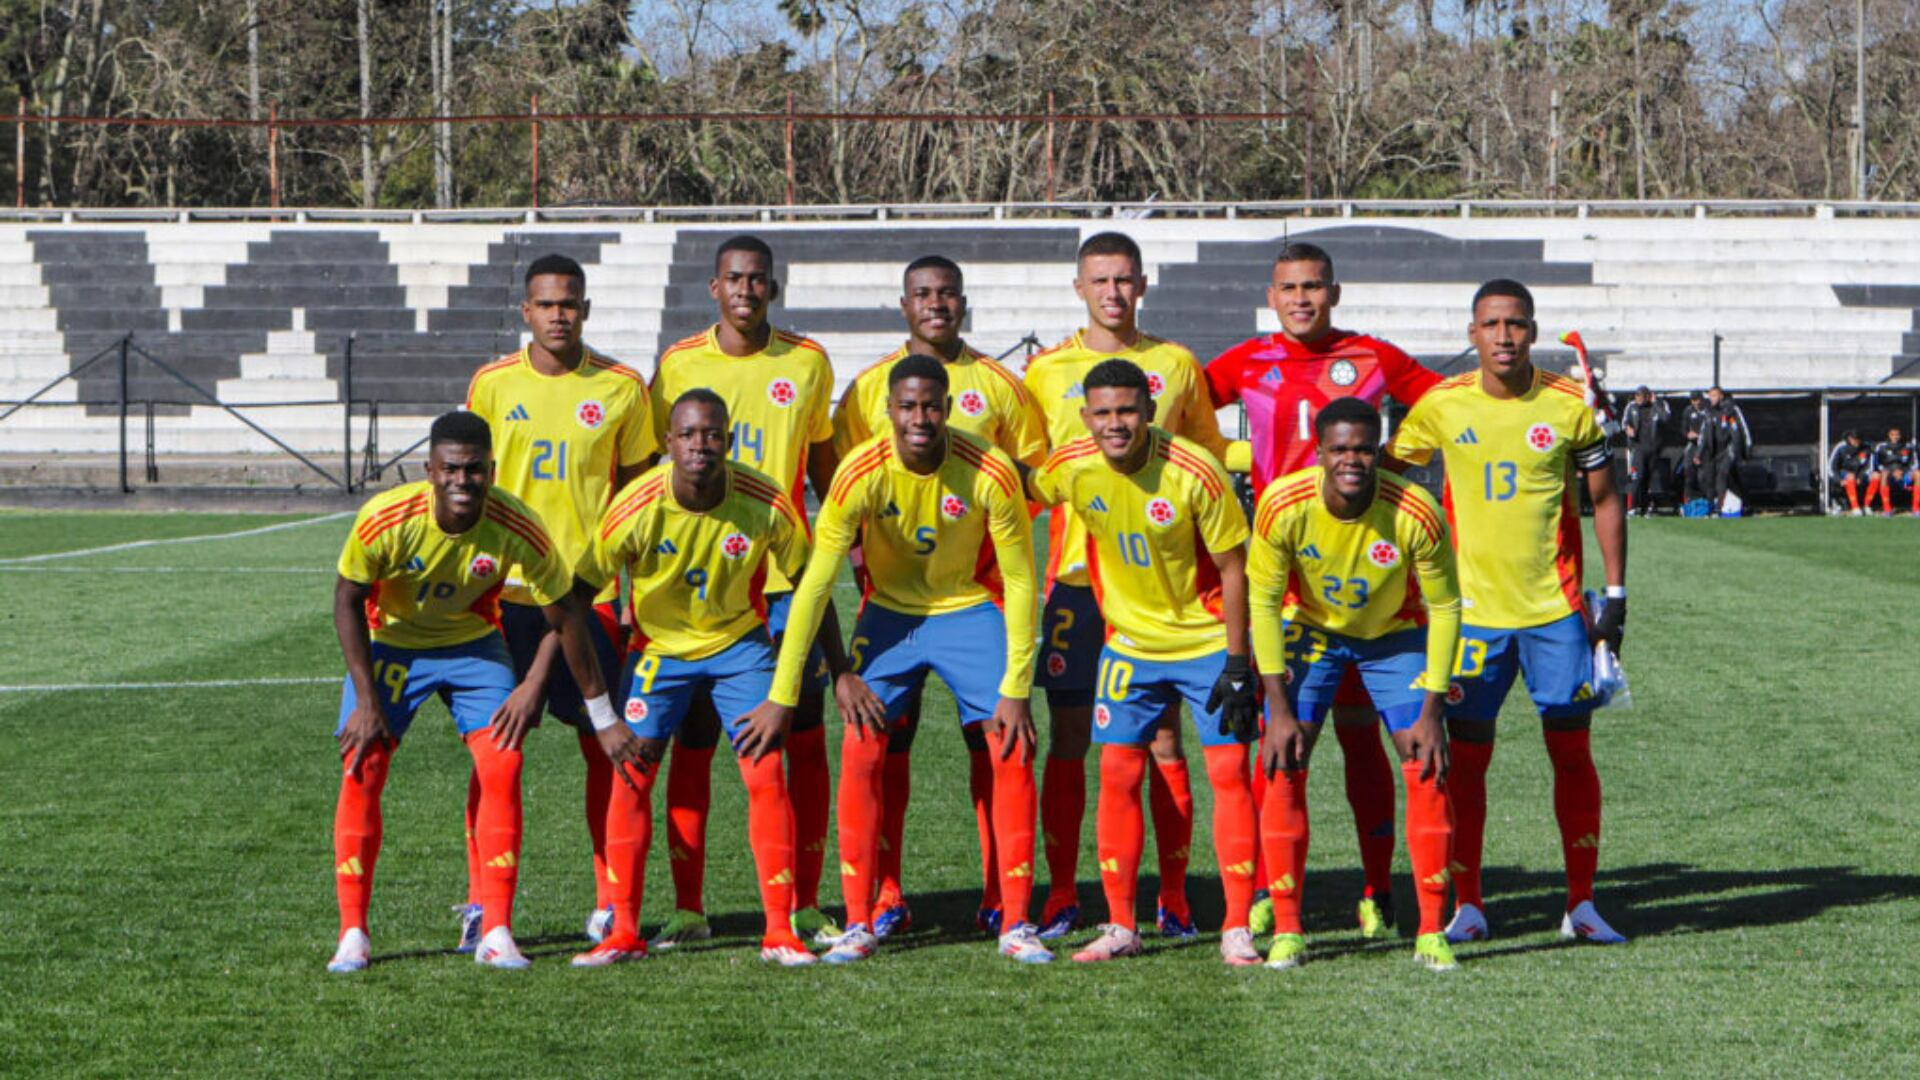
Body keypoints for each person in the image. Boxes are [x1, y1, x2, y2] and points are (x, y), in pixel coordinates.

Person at [758, 354, 1048, 965]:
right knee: (862, 744)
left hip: (968, 611)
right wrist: (787, 693)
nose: (920, 418)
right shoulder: (860, 472)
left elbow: (1022, 581)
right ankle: (859, 921)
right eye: (908, 407)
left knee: (1011, 744)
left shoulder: (990, 468)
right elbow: (815, 585)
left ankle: (1017, 921)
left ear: (948, 408)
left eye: (932, 406)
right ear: (888, 410)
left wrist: (1017, 686)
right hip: (890, 616)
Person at [326, 411, 635, 973]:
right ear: (429, 470)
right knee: (362, 762)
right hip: (394, 645)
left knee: (504, 760)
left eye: (473, 470)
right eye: (450, 469)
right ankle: (353, 932)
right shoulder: (386, 518)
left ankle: (495, 929)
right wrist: (367, 701)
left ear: (491, 471)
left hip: (474, 646)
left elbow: (565, 613)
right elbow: (347, 598)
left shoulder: (517, 525)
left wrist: (587, 707)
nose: (461, 481)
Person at [1203, 241, 1441, 940]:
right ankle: (1267, 891)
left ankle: (1377, 890)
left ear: (1334, 293)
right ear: (1271, 297)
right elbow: (1186, 416)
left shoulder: (1371, 355)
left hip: (1369, 577)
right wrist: (1243, 457)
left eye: (1313, 286)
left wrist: (1395, 460)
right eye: (1289, 288)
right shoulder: (1245, 361)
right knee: (1281, 746)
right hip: (1289, 579)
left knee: (1365, 739)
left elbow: (1441, 404)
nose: (1301, 298)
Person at [1385, 278, 1630, 947]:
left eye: (1516, 324)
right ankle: (1469, 905)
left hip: (1556, 615)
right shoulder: (1441, 405)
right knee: (1465, 765)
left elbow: (1606, 498)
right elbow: (1384, 476)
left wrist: (1615, 596)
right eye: (1491, 325)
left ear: (1533, 331)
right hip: (1470, 619)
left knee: (1572, 754)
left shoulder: (1569, 405)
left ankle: (1582, 904)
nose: (1504, 336)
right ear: (1472, 334)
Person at [1020, 230, 1246, 941]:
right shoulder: (1044, 372)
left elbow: (1211, 451)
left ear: (1142, 284)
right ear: (1079, 288)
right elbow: (1032, 474)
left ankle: (1172, 895)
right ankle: (1063, 893)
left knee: (1165, 741)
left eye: (1124, 279)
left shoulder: (1176, 364)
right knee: (1070, 738)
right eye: (1100, 280)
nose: (1112, 292)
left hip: (1164, 590)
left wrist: (1282, 455)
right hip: (1077, 583)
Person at [569, 390, 843, 968]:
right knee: (631, 777)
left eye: (712, 434)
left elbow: (811, 589)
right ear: (668, 443)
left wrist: (813, 680)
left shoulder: (765, 500)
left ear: (728, 441)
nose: (701, 445)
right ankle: (623, 931)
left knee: (765, 772)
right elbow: (571, 602)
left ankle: (779, 931)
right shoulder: (633, 507)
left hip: (740, 648)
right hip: (658, 654)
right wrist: (601, 712)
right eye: (689, 435)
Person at [829, 253, 1049, 939]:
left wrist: (977, 543)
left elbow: (1029, 480)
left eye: (947, 293)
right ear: (904, 305)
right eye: (922, 293)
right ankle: (884, 894)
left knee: (993, 742)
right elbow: (843, 482)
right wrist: (864, 558)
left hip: (977, 597)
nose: (936, 304)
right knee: (883, 742)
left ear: (963, 302)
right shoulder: (867, 388)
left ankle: (1000, 897)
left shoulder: (1001, 386)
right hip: (889, 600)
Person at [648, 235, 841, 948]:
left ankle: (806, 904)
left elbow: (824, 469)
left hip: (786, 578)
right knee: (695, 738)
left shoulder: (808, 360)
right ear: (714, 287)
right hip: (706, 582)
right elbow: (655, 465)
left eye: (758, 279)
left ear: (773, 288)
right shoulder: (678, 364)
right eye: (734, 278)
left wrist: (841, 559)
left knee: (804, 734)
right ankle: (689, 909)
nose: (746, 290)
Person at [461, 253, 655, 951]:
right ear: (526, 312)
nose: (558, 315)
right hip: (503, 595)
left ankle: (608, 900)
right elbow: (469, 486)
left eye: (569, 304)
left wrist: (627, 594)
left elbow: (638, 497)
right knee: (494, 755)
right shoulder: (491, 384)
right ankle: (482, 902)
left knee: (604, 748)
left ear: (586, 309)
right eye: (546, 304)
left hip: (589, 595)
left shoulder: (623, 388)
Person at [1248, 396, 1462, 972]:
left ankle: (1429, 929)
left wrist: (1433, 710)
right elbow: (1264, 604)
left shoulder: (1415, 510)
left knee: (1426, 764)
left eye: (1364, 450)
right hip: (1314, 632)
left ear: (1379, 452)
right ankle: (1287, 928)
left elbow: (1446, 607)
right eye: (1340, 449)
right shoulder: (1282, 505)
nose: (1352, 460)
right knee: (1284, 760)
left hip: (1393, 635)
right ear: (1319, 452)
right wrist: (1277, 705)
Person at [1700, 387, 1751, 516]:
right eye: (1710, 396)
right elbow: (1704, 433)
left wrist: (1745, 451)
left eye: (1714, 396)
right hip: (1715, 451)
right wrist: (1699, 453)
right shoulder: (1709, 411)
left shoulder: (1731, 410)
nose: (1712, 398)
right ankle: (1715, 506)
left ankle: (1719, 508)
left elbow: (1740, 431)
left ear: (1721, 396)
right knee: (1715, 478)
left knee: (1722, 475)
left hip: (1729, 448)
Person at [1619, 386, 1668, 516]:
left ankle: (1645, 508)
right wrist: (1628, 429)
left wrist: (1655, 403)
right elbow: (1624, 423)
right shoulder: (1631, 406)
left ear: (1648, 396)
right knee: (1637, 476)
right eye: (1637, 395)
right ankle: (1633, 507)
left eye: (1641, 396)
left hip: (1653, 448)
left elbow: (1665, 418)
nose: (1638, 398)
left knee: (1648, 478)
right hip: (1638, 447)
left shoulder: (1658, 405)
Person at [1867, 427, 1917, 516]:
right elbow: (1877, 464)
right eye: (1893, 435)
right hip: (1888, 475)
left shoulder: (1908, 446)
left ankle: (1916, 508)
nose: (1895, 437)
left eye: (1897, 435)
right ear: (1889, 435)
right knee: (1884, 474)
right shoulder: (1881, 447)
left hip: (1904, 475)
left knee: (1918, 474)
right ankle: (1887, 509)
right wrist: (1892, 471)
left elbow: (1914, 463)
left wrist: (1904, 471)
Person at [1828, 430, 1874, 515]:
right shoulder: (1841, 446)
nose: (1856, 442)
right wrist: (1839, 480)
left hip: (1860, 474)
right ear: (1849, 438)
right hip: (1843, 473)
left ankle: (1866, 506)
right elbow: (1831, 467)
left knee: (1876, 476)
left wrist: (1861, 477)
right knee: (1850, 476)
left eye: (1858, 439)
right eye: (1854, 439)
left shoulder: (1866, 447)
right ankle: (1855, 508)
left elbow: (1869, 466)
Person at [1681, 391, 1712, 505]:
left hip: (1706, 446)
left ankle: (1708, 500)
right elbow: (1683, 429)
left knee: (1703, 476)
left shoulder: (1708, 410)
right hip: (1693, 445)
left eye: (1697, 400)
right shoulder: (1688, 411)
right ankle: (1688, 500)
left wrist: (1700, 436)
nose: (1695, 403)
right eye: (1693, 400)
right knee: (1688, 471)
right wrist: (1687, 434)